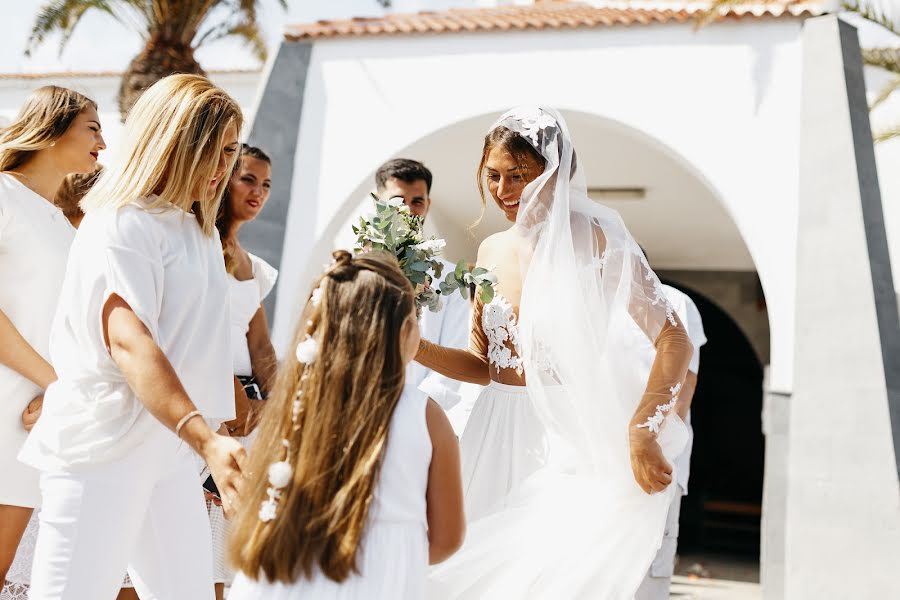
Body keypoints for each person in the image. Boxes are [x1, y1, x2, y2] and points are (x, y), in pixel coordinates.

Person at [416, 107, 693, 598]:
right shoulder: (490, 252)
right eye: (493, 176)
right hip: (492, 432)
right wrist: (417, 348)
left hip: (567, 437)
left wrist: (642, 429)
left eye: (517, 176)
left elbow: (674, 339)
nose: (502, 191)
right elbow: (483, 367)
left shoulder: (599, 240)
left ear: (554, 171)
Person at [18, 74, 245, 600]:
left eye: (231, 151)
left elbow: (193, 341)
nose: (223, 169)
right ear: (173, 142)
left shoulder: (197, 232)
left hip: (168, 452)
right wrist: (205, 438)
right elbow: (129, 341)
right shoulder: (122, 222)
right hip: (103, 446)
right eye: (213, 150)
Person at [228, 250, 465, 599]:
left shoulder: (300, 401)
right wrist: (389, 556)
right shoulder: (426, 416)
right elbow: (447, 538)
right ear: (405, 331)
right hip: (381, 584)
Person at [0, 85, 105, 597]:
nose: (103, 144)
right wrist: (57, 385)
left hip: (40, 410)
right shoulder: (2, 195)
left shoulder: (61, 223)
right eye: (93, 127)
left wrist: (62, 391)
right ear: (53, 129)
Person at [206, 143, 278, 599]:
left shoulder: (253, 266)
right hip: (210, 406)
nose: (258, 191)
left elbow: (261, 346)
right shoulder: (200, 245)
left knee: (238, 551)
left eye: (266, 184)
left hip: (250, 414)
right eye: (248, 179)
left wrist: (271, 404)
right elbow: (199, 330)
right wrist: (231, 393)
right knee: (207, 539)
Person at [375, 159, 471, 413]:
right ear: (379, 202)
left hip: (423, 413)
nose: (407, 210)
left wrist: (415, 412)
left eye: (417, 201)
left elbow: (455, 352)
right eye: (398, 201)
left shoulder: (451, 278)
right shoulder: (356, 269)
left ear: (428, 204)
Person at [636, 282, 707, 600]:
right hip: (610, 455)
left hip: (658, 455)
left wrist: (661, 448)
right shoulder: (597, 300)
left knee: (652, 562)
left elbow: (686, 382)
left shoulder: (675, 301)